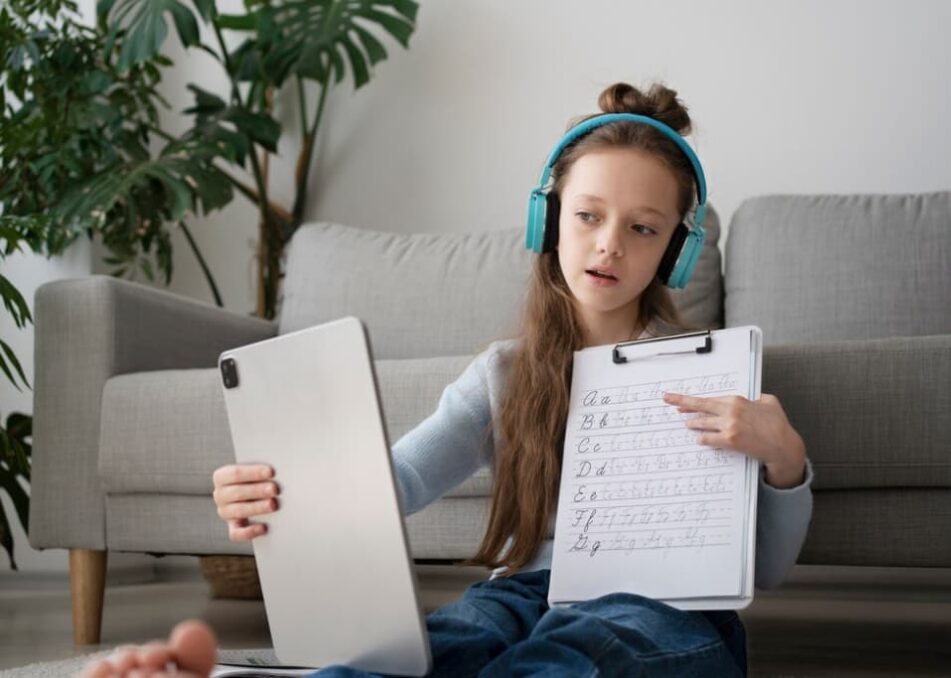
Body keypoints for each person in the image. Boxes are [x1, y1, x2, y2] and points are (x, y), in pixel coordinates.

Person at [83, 81, 812, 677]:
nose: (608, 245)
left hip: (665, 606)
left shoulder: (713, 378)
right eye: (587, 216)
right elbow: (390, 480)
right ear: (547, 222)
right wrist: (278, 490)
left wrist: (783, 459)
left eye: (643, 229)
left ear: (677, 254)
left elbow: (767, 571)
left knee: (578, 656)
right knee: (436, 646)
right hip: (524, 591)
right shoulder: (503, 375)